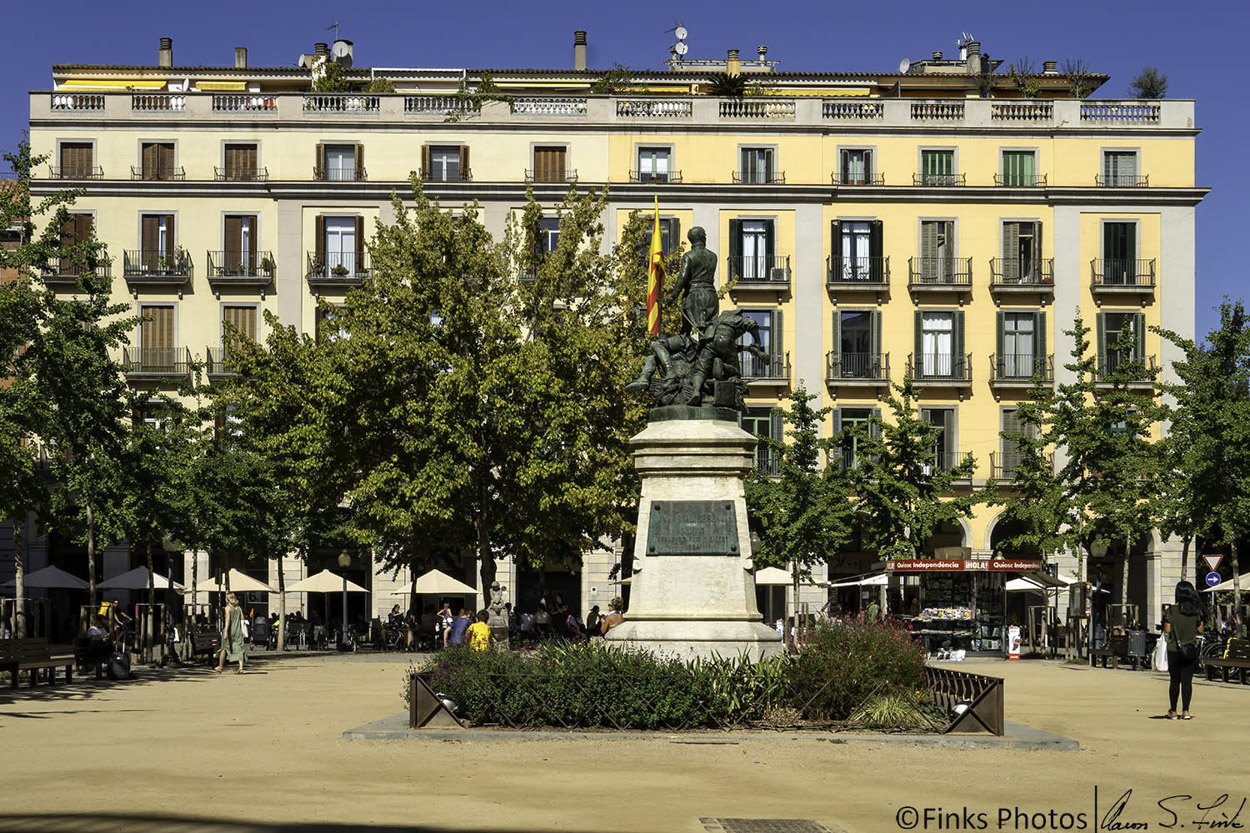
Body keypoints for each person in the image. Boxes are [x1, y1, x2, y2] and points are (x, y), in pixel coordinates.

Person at [663, 226, 719, 336]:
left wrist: (673, 296)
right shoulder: (713, 256)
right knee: (710, 329)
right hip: (711, 295)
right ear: (703, 238)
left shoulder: (688, 256)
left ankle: (686, 349)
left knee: (687, 330)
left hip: (694, 295)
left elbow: (683, 277)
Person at [1163, 580, 1204, 720]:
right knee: (1187, 681)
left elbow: (1167, 630)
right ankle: (1186, 711)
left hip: (1174, 649)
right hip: (1190, 649)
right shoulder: (1195, 611)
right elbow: (1200, 630)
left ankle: (1173, 711)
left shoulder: (1171, 610)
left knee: (1174, 681)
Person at [215, 592, 247, 674]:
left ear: (228, 599)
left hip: (230, 631)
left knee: (224, 648)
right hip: (238, 631)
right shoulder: (239, 608)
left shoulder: (227, 608)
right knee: (240, 648)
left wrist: (225, 631)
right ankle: (241, 668)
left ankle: (220, 666)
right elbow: (242, 618)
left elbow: (227, 620)